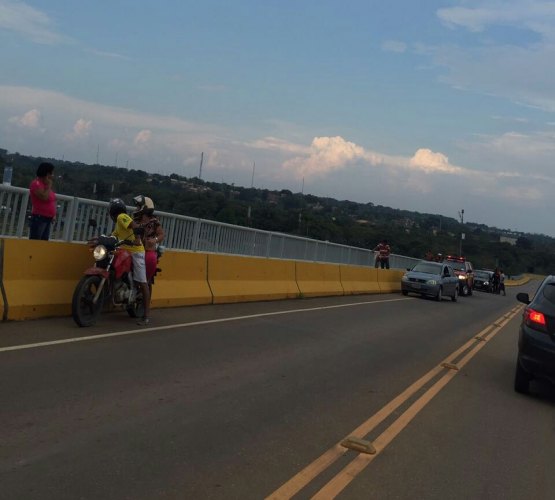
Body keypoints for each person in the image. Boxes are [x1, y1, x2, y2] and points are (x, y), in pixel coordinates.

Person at [109, 198, 151, 326]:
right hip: (123, 250)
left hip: (136, 251)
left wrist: (138, 238)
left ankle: (146, 315)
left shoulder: (122, 217)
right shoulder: (118, 223)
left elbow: (134, 226)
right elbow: (113, 235)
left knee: (142, 281)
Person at [132, 195, 165, 299]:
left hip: (147, 251)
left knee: (146, 278)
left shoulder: (154, 221)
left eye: (138, 207)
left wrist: (154, 240)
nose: (136, 209)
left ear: (144, 208)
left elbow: (161, 235)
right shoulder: (135, 220)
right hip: (135, 249)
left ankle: (146, 310)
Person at [29, 162, 56, 240]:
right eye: (52, 173)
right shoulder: (36, 184)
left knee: (43, 242)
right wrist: (49, 186)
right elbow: (44, 197)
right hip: (40, 217)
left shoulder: (45, 185)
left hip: (48, 218)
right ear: (47, 174)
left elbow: (51, 201)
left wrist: (53, 214)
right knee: (36, 241)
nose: (53, 176)